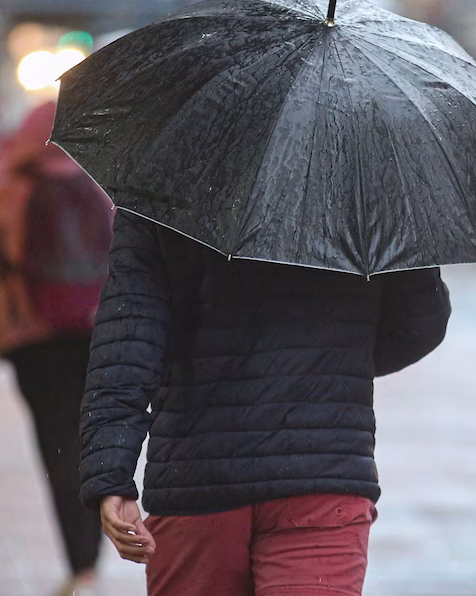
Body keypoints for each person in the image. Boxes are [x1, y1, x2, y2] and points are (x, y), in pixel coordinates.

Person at [78, 209, 452, 595]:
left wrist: (110, 474)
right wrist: (332, 364)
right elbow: (419, 321)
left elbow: (127, 340)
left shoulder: (165, 179)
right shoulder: (370, 185)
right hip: (320, 470)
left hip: (198, 473)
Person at [0, 101, 112, 596]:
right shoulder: (99, 189)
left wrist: (3, 334)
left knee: (58, 450)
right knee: (91, 444)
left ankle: (78, 568)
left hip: (34, 343)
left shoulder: (9, 194)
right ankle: (91, 559)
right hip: (92, 336)